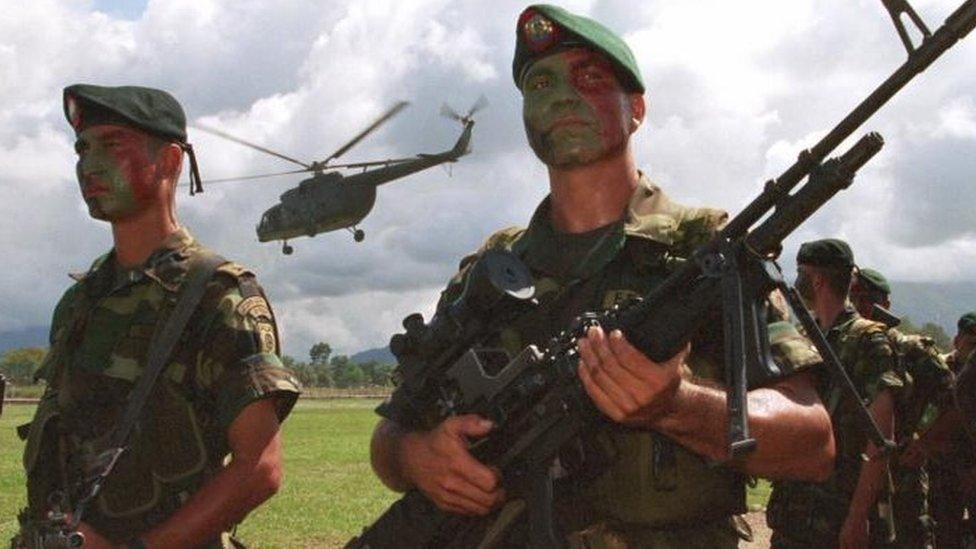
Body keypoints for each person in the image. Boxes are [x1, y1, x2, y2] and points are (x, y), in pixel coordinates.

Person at [368, 5, 835, 547]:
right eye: (540, 83)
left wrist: (678, 407)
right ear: (526, 118)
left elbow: (812, 442)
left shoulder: (704, 251)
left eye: (588, 78)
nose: (562, 95)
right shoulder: (490, 270)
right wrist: (414, 455)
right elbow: (392, 432)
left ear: (635, 109)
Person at [13, 84, 301, 548]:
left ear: (169, 162)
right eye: (82, 149)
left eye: (112, 145)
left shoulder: (217, 297)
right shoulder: (81, 301)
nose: (89, 164)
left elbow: (259, 469)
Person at [767, 240, 904, 548]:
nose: (796, 280)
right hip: (796, 511)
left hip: (839, 511)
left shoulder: (869, 340)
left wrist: (857, 518)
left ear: (816, 279)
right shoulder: (803, 337)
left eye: (800, 272)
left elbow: (880, 438)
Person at [851, 267, 951, 548]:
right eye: (855, 298)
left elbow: (952, 399)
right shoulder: (844, 345)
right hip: (854, 469)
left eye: (869, 299)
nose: (862, 307)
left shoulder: (913, 351)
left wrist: (923, 439)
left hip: (902, 473)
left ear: (886, 306)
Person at [927, 312, 976, 548]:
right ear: (958, 341)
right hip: (944, 468)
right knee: (946, 532)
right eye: (972, 344)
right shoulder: (938, 370)